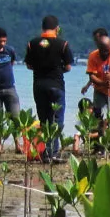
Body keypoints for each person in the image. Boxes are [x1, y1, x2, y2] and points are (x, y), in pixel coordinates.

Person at [24, 15, 73, 162]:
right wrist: (57, 70)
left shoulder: (32, 44)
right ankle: (54, 152)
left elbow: (29, 65)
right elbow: (68, 67)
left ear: (42, 28)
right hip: (56, 85)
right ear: (57, 28)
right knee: (57, 119)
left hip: (39, 86)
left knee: (44, 120)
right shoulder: (63, 44)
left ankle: (46, 151)